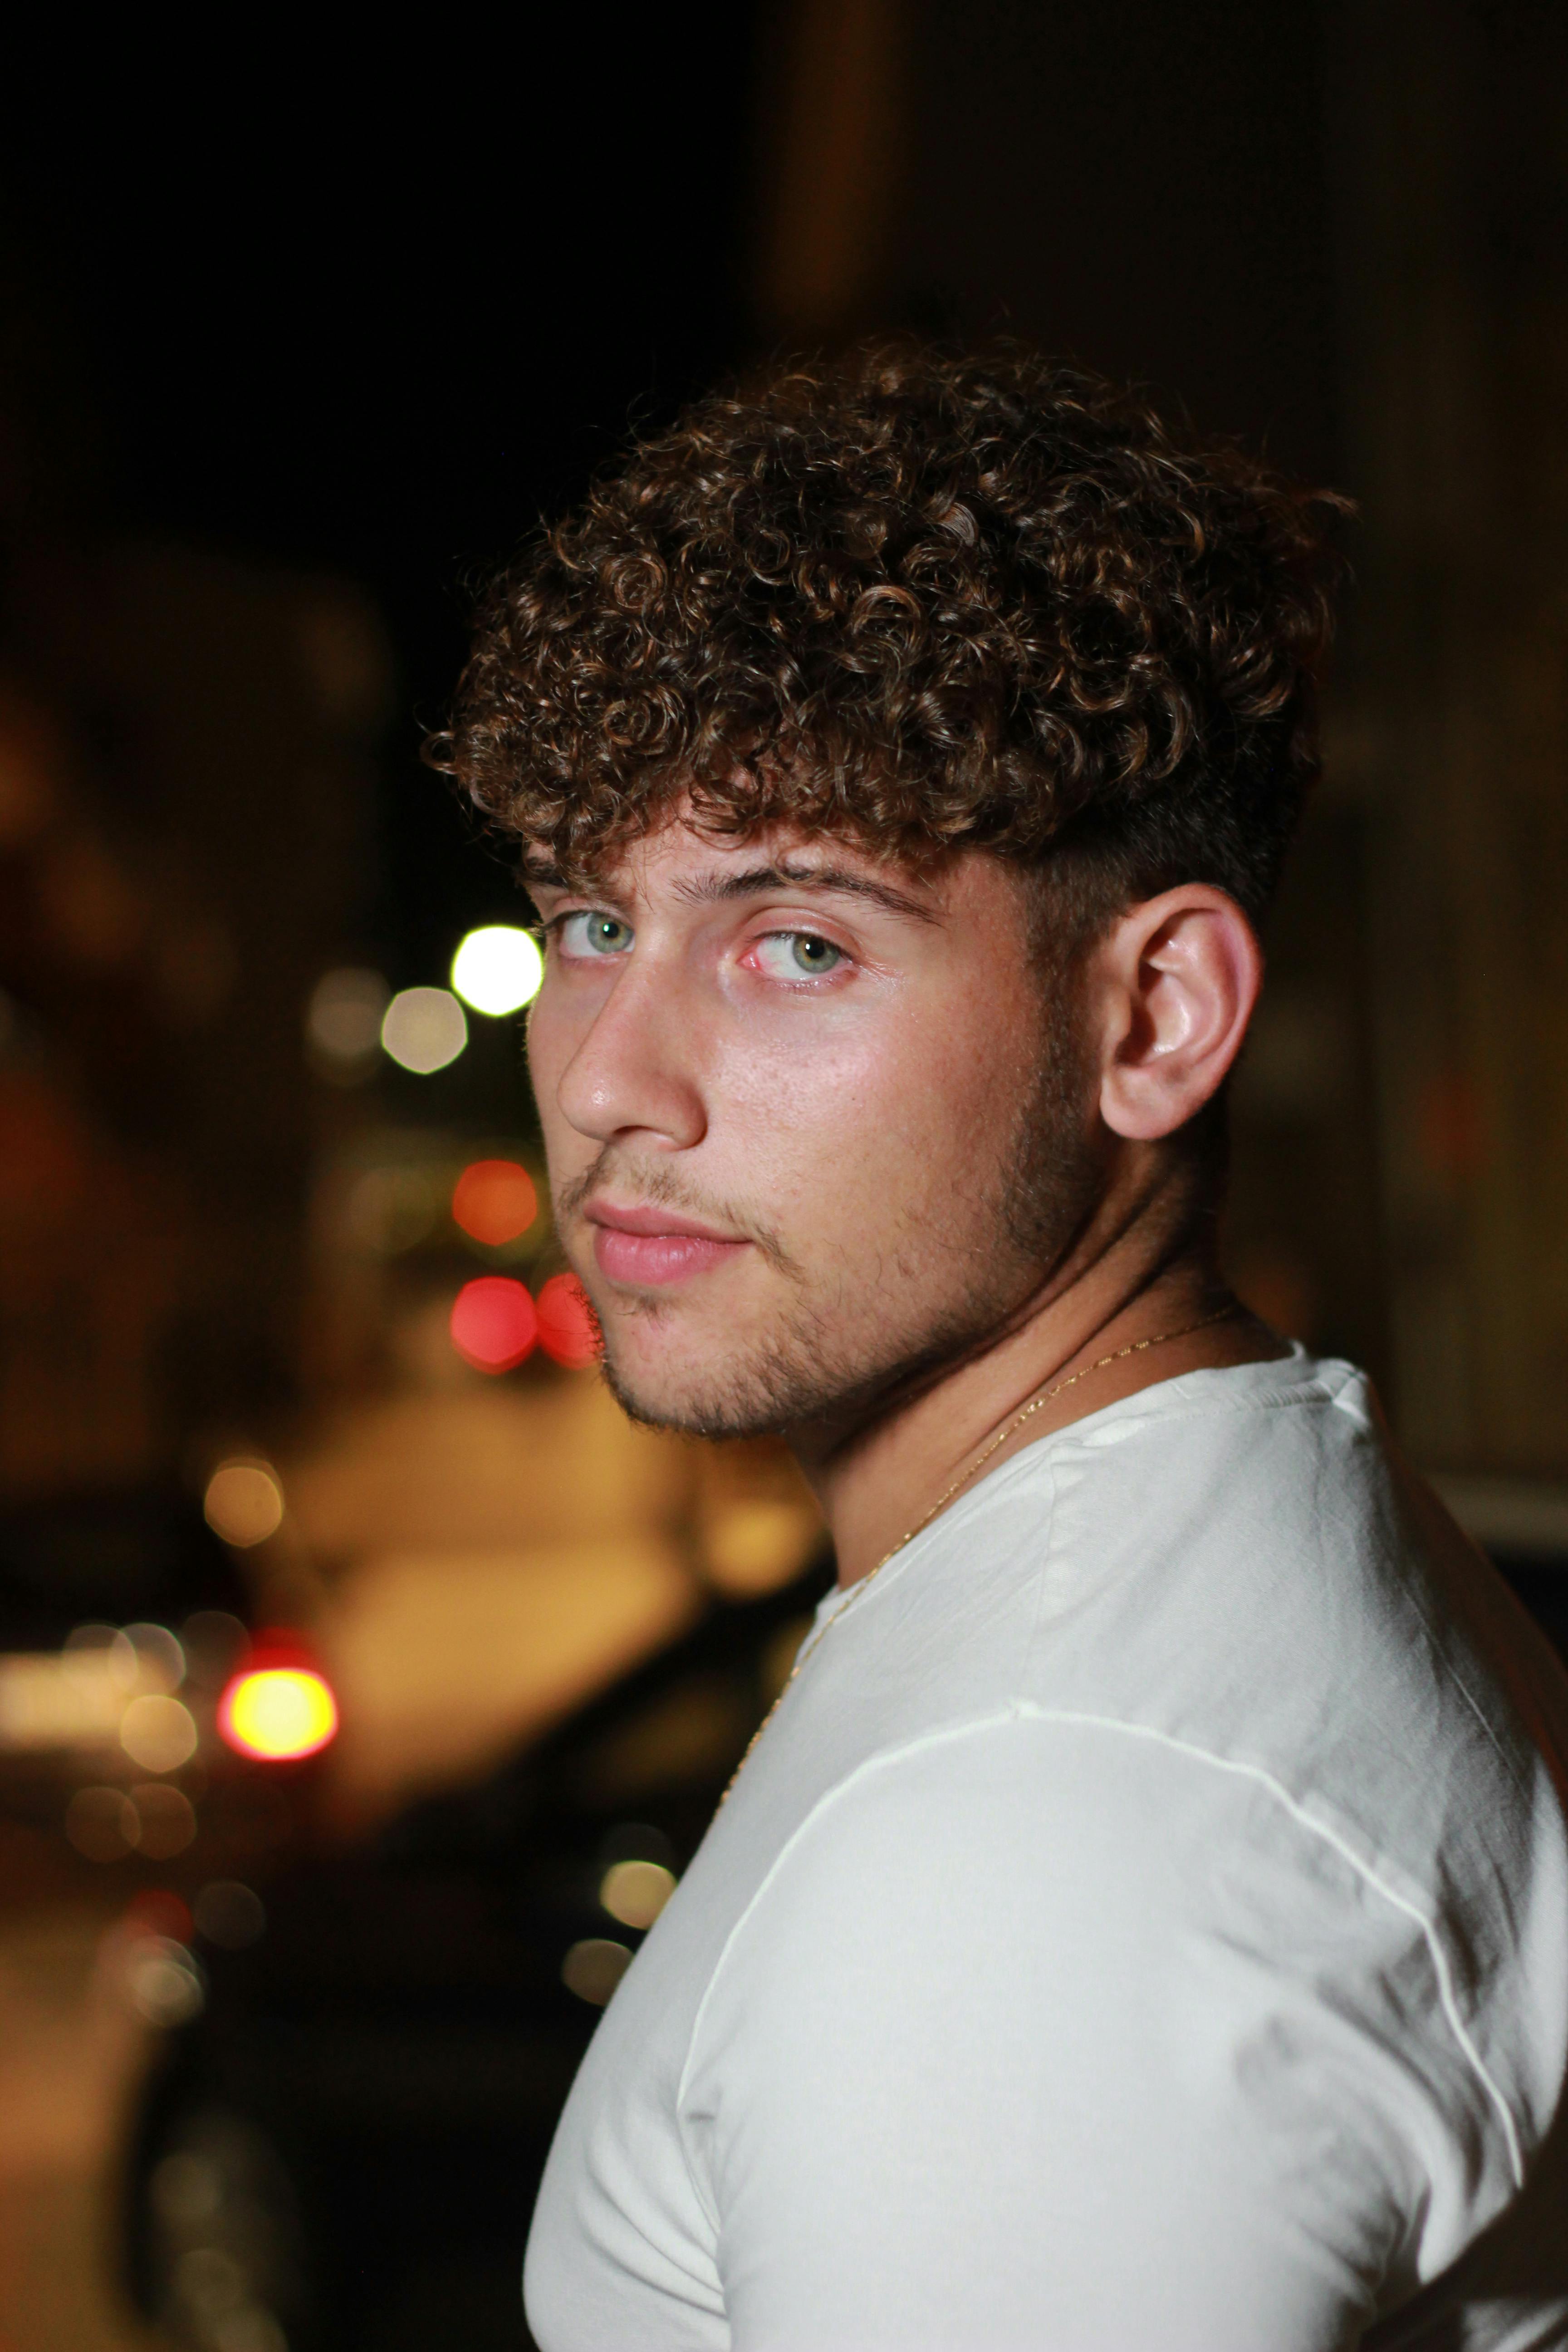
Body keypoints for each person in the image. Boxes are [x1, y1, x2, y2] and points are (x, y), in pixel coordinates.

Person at [435, 345, 1568, 2350]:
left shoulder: (1042, 1852)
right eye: (592, 922)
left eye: (799, 944)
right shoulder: (1220, 1531)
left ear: (1156, 1020)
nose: (615, 1081)